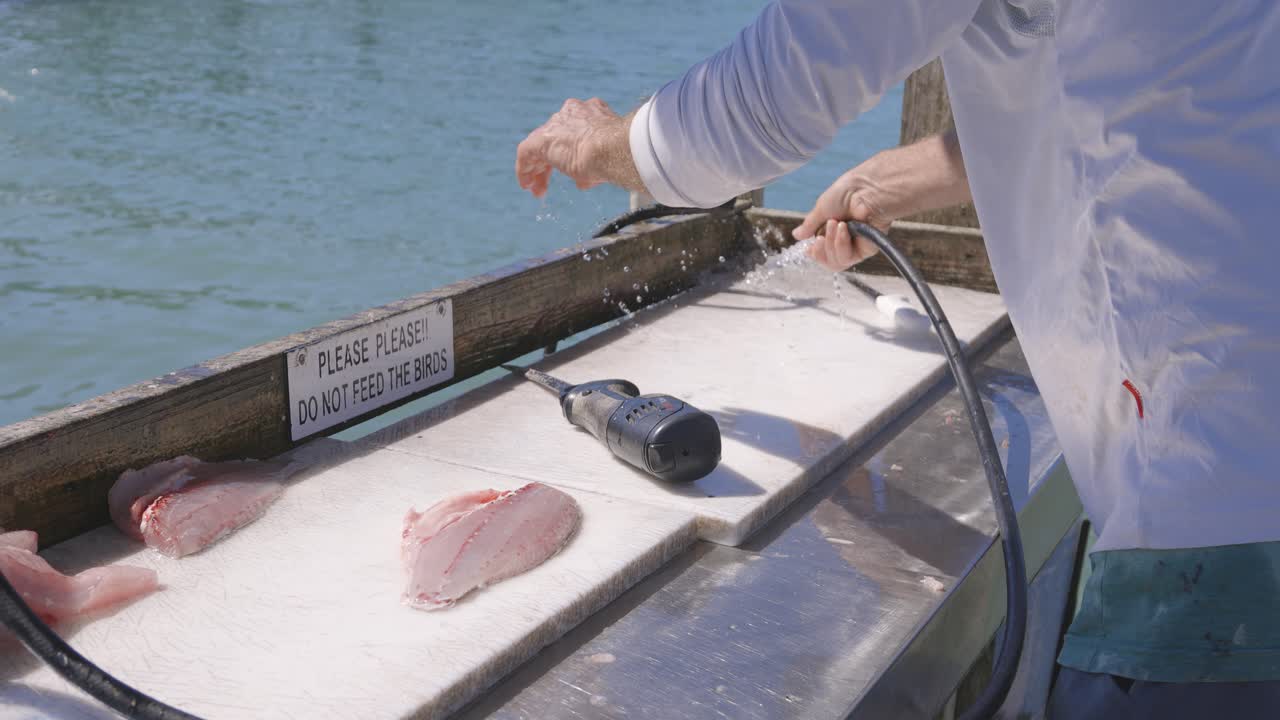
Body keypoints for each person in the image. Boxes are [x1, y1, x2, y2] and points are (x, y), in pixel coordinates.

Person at [515, 1, 1280, 718]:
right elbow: (1165, 75)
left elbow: (761, 104)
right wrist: (907, 174)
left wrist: (603, 144)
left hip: (1220, 540)